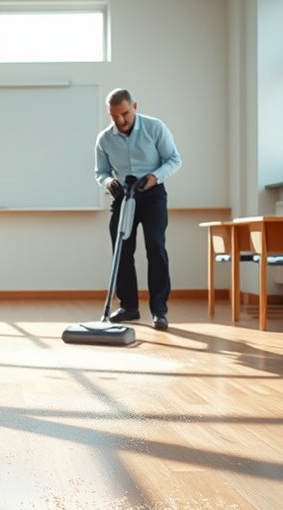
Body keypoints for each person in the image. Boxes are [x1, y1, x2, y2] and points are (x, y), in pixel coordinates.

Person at [95, 88, 182, 330]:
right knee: (121, 249)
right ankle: (129, 307)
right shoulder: (104, 139)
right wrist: (108, 182)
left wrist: (155, 176)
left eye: (124, 113)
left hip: (152, 194)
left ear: (135, 106)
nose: (120, 120)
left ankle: (159, 309)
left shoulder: (155, 128)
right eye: (114, 116)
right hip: (123, 196)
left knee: (155, 246)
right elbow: (100, 172)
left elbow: (174, 159)